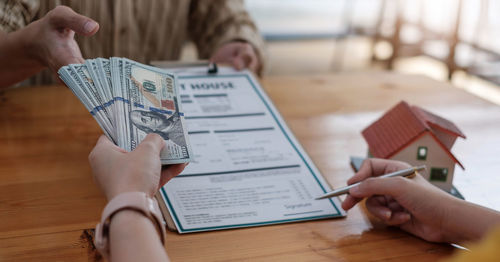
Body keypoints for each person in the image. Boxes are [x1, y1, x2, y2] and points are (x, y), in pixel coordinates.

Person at [0, 0, 264, 87]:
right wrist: (27, 49)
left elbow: (226, 17)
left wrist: (237, 43)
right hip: (44, 138)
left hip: (157, 138)